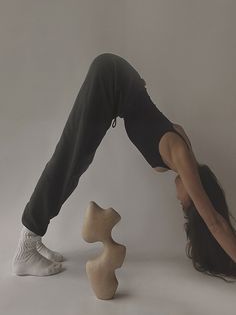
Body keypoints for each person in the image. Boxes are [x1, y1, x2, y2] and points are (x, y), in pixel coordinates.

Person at [12, 53, 236, 281]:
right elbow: (216, 223)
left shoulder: (184, 149)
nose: (180, 201)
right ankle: (26, 248)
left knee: (73, 161)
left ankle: (34, 239)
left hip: (114, 83)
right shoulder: (181, 156)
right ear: (198, 189)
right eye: (188, 204)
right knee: (69, 159)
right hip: (110, 80)